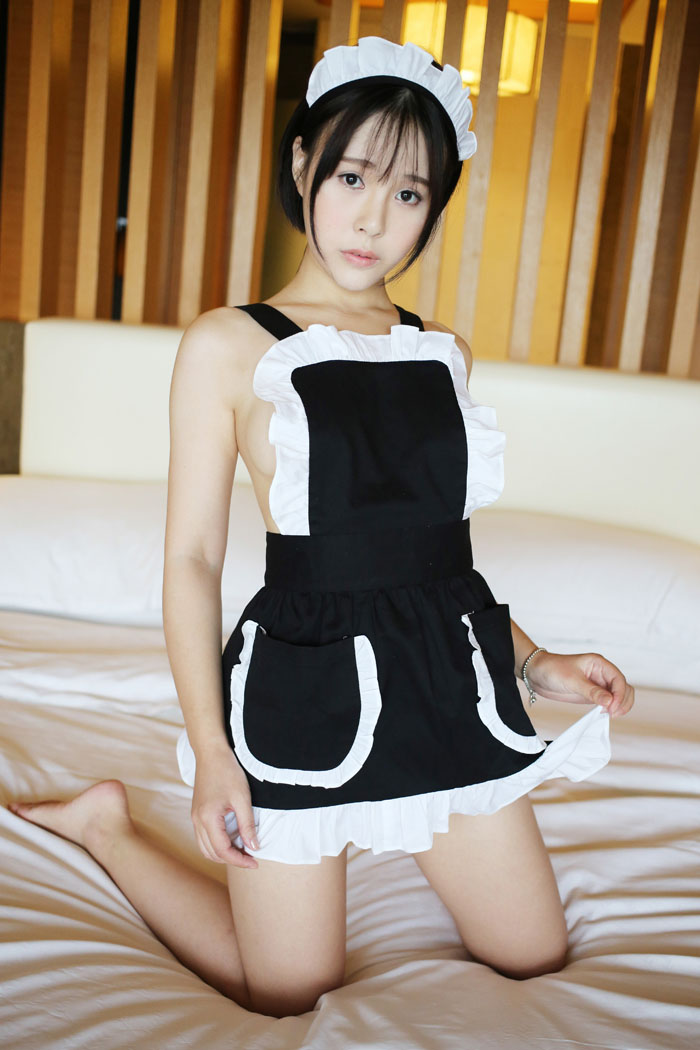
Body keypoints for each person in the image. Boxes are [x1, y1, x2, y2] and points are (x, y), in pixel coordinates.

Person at [8, 35, 634, 1019]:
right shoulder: (230, 344)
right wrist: (213, 755)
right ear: (303, 164)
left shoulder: (443, 353)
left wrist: (535, 663)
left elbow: (438, 565)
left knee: (533, 954)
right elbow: (191, 559)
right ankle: (106, 830)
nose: (373, 219)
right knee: (286, 992)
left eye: (409, 193)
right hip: (301, 689)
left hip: (443, 686)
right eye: (351, 177)